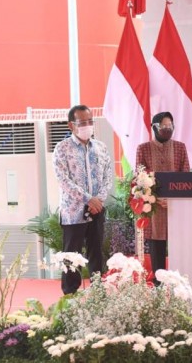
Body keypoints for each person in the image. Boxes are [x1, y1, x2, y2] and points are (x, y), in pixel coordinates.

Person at [53, 105, 113, 295]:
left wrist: (99, 200)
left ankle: (98, 292)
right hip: (73, 212)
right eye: (82, 122)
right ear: (71, 125)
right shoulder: (62, 149)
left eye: (90, 121)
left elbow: (108, 176)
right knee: (71, 256)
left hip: (97, 210)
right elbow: (63, 180)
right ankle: (70, 294)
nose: (88, 126)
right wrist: (88, 199)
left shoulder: (101, 148)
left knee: (96, 253)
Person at [136, 112, 190, 281]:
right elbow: (140, 177)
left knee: (179, 250)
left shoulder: (180, 147)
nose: (167, 129)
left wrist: (174, 199)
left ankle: (178, 287)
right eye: (163, 126)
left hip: (176, 208)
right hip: (153, 208)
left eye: (170, 126)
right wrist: (155, 198)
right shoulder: (143, 148)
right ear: (154, 127)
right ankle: (159, 288)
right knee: (157, 251)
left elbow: (186, 177)